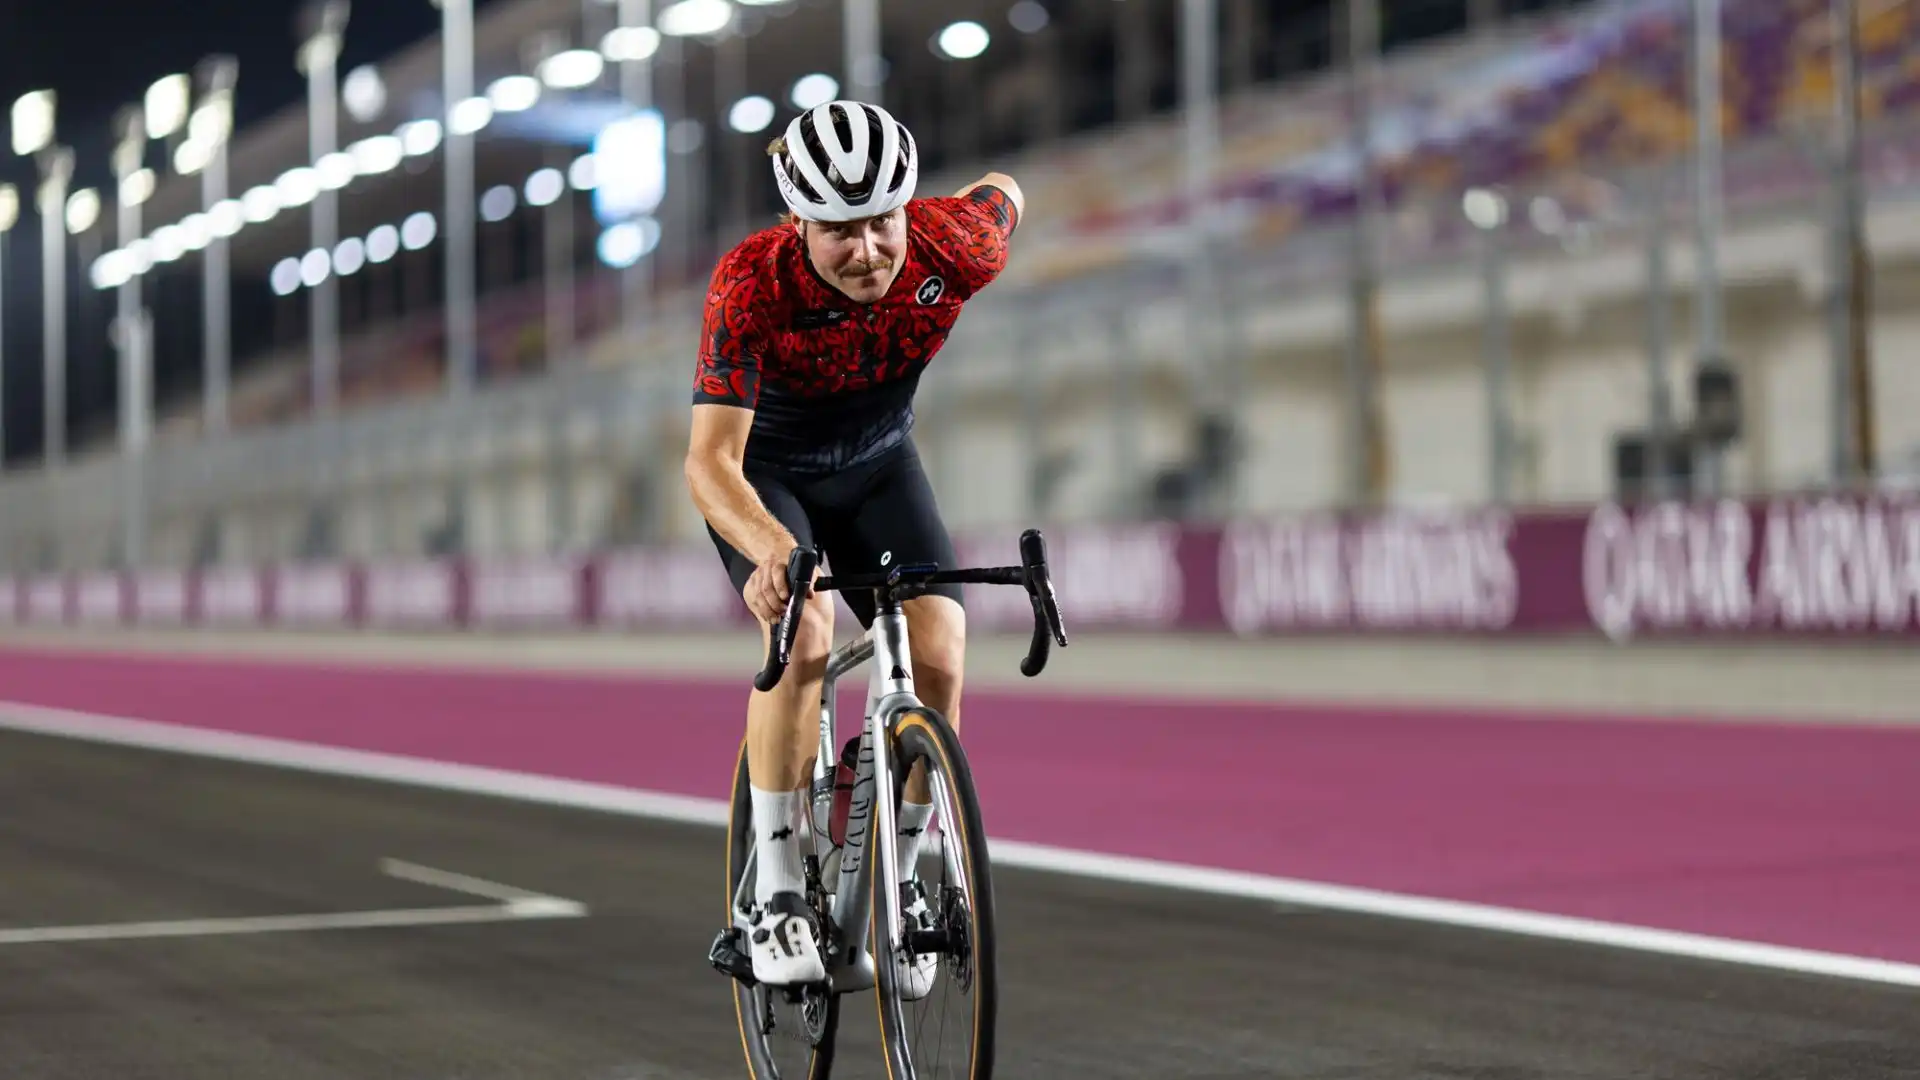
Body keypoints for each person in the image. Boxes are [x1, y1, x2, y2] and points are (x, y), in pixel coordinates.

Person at [683, 100, 1023, 990]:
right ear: (798, 222)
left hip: (878, 464)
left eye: (882, 221)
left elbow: (1005, 192)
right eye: (840, 231)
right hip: (772, 474)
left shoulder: (957, 244)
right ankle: (778, 892)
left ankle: (916, 873)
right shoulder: (749, 284)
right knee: (804, 634)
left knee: (941, 647)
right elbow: (709, 461)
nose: (869, 250)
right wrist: (766, 549)